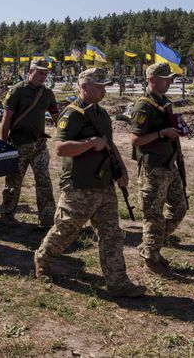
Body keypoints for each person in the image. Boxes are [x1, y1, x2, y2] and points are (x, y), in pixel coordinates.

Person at [34, 68, 146, 298]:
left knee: (112, 234)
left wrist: (121, 170)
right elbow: (60, 148)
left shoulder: (102, 114)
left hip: (104, 184)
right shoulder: (71, 114)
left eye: (105, 86)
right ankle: (43, 260)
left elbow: (109, 144)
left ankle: (117, 281)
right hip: (79, 186)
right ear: (84, 87)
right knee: (66, 230)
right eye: (100, 86)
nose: (104, 90)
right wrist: (89, 142)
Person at [128, 63, 188, 277]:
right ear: (152, 79)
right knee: (153, 215)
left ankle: (149, 247)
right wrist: (162, 133)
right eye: (165, 78)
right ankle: (151, 258)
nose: (169, 81)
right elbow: (135, 139)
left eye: (170, 78)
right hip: (153, 168)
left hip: (169, 164)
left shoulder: (162, 102)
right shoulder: (144, 106)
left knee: (179, 208)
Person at [0, 58, 59, 227]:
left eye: (46, 74)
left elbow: (56, 117)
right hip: (18, 144)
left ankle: (47, 218)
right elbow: (6, 118)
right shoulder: (18, 90)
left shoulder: (48, 94)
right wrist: (3, 146)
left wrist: (66, 133)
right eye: (40, 73)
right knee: (13, 182)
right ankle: (7, 214)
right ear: (30, 71)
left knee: (44, 182)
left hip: (39, 145)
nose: (43, 77)